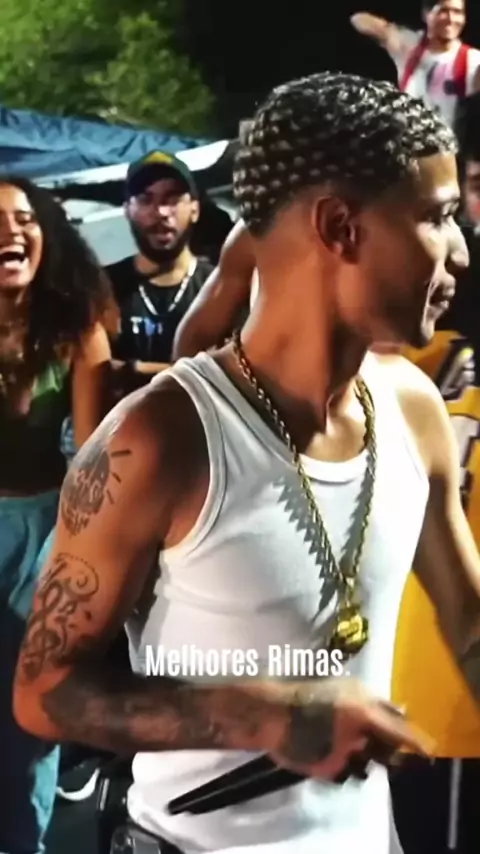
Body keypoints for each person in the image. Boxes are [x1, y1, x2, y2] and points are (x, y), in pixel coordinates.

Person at [13, 73, 480, 854]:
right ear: (340, 227)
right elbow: (46, 691)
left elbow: (468, 624)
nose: (461, 249)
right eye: (437, 216)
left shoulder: (412, 406)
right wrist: (262, 715)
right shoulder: (160, 439)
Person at [0, 177, 112, 854]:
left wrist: (80, 556)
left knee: (29, 718)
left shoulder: (78, 331)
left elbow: (94, 464)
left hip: (48, 530)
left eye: (23, 219)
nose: (11, 232)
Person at [108, 150, 214, 395]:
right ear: (127, 210)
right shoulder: (102, 287)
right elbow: (97, 373)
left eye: (172, 199)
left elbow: (230, 372)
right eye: (146, 199)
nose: (161, 212)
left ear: (195, 209)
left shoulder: (222, 288)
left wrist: (133, 370)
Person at [351, 0, 480, 129]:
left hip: (449, 139)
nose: (451, 19)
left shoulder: (473, 59)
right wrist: (389, 30)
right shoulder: (409, 44)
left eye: (457, 12)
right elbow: (357, 19)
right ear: (426, 14)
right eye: (443, 11)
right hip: (407, 137)